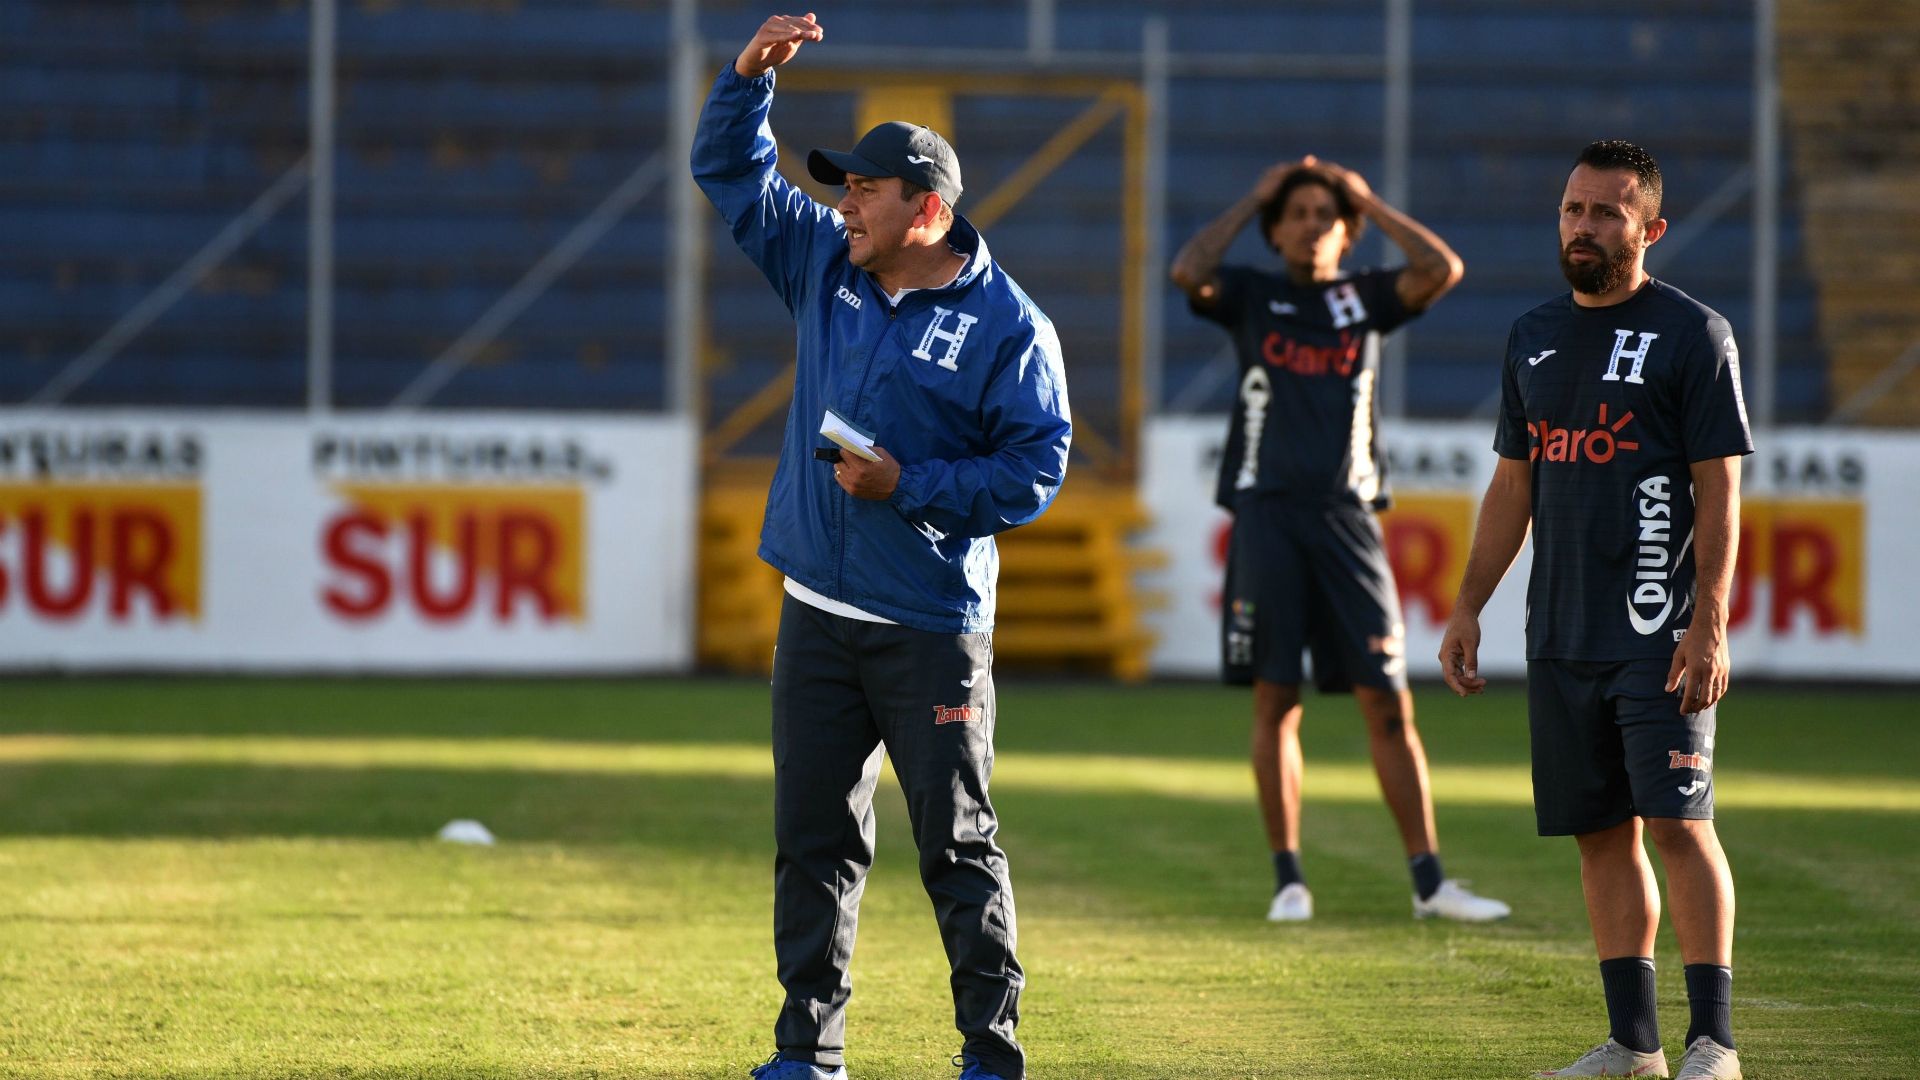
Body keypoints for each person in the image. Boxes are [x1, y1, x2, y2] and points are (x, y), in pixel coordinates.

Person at [692, 13, 1070, 1080]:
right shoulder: (825, 260)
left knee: (956, 849)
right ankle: (807, 1054)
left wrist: (912, 488)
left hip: (931, 629)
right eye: (842, 187)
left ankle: (991, 1056)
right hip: (817, 609)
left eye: (865, 189)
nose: (842, 203)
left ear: (929, 209)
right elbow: (725, 170)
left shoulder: (1010, 326)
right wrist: (746, 81)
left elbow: (1036, 469)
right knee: (813, 846)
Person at [1438, 140, 1750, 1080]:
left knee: (1681, 825)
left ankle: (1715, 1043)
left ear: (1649, 230)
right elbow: (1511, 486)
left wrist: (1709, 622)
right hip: (1561, 633)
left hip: (1659, 633)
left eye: (1607, 213)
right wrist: (1467, 605)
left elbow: (1720, 492)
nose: (1583, 226)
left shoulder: (1696, 335)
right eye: (1574, 209)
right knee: (1600, 834)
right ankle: (1634, 1044)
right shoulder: (1532, 334)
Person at [1170, 157, 1509, 923]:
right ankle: (1289, 879)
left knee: (1388, 704)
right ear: (1275, 228)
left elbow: (1441, 268)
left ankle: (1430, 885)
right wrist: (1256, 192)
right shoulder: (1252, 295)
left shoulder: (1367, 299)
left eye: (1326, 213)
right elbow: (1188, 269)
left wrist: (1370, 200)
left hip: (1349, 519)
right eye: (1295, 213)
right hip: (1265, 518)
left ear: (1346, 231)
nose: (1310, 222)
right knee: (1276, 702)